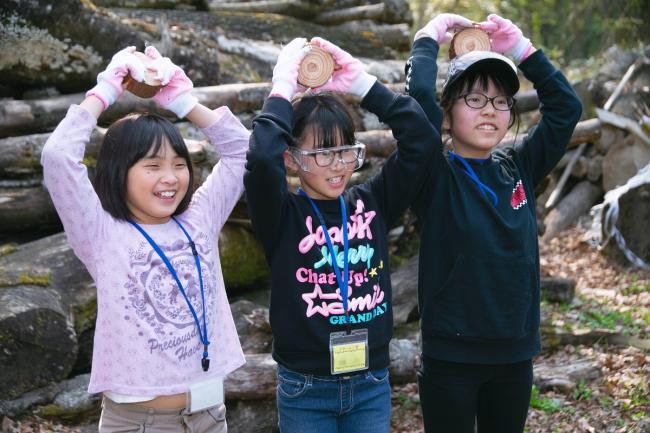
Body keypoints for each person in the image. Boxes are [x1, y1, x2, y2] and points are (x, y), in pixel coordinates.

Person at [41, 46, 250, 433]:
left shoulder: (199, 218)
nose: (170, 177)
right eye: (152, 166)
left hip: (209, 417)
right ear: (119, 172)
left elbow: (245, 153)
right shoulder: (100, 231)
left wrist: (183, 101)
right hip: (139, 423)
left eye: (178, 164)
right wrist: (105, 90)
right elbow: (57, 158)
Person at [244, 37, 440, 432]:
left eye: (346, 150)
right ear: (292, 158)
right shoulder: (281, 214)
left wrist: (362, 84)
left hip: (370, 382)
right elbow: (262, 156)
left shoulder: (374, 202)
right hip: (305, 387)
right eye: (320, 153)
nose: (337, 165)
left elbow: (423, 139)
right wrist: (283, 86)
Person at [405, 13, 583, 433]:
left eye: (501, 101)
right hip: (452, 358)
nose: (490, 110)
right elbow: (416, 108)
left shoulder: (517, 166)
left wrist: (521, 48)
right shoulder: (432, 174)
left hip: (514, 355)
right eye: (475, 99)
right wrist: (427, 38)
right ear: (447, 117)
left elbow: (566, 108)